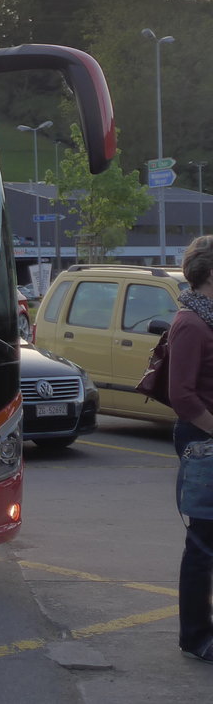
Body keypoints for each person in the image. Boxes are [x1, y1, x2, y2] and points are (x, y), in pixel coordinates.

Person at [169, 235, 213, 664]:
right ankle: (197, 636)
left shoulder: (210, 319)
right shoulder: (191, 323)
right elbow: (181, 396)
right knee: (202, 544)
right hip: (203, 443)